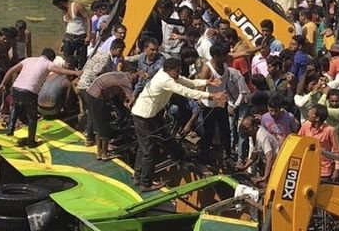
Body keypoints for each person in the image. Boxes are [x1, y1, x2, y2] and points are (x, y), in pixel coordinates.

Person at [131, 58, 226, 192]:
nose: (179, 72)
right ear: (170, 70)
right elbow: (186, 91)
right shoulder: (166, 80)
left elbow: (188, 82)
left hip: (152, 115)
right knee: (149, 149)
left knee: (146, 146)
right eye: (177, 70)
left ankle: (138, 175)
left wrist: (207, 82)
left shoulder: (168, 75)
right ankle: (145, 183)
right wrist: (211, 95)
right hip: (143, 116)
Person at [0, 48, 80, 148]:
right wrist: (75, 73)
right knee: (32, 117)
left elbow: (11, 70)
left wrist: (3, 84)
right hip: (29, 92)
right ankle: (31, 142)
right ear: (51, 58)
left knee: (15, 107)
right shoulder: (48, 64)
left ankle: (10, 130)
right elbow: (60, 70)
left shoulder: (28, 60)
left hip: (16, 88)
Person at [198, 42, 249, 167]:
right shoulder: (207, 68)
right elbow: (200, 90)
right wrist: (208, 99)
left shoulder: (225, 62)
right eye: (223, 55)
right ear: (215, 56)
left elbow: (246, 53)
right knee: (208, 132)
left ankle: (226, 156)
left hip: (221, 103)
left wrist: (260, 46)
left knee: (225, 130)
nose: (226, 57)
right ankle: (204, 156)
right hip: (209, 105)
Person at [83, 63, 138, 160]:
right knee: (104, 127)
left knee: (97, 125)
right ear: (131, 73)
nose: (136, 79)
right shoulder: (126, 81)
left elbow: (116, 92)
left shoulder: (119, 74)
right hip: (98, 98)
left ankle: (99, 152)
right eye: (136, 76)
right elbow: (132, 99)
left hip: (90, 93)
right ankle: (104, 153)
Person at [299, 104, 339, 181]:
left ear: (317, 118)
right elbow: (299, 141)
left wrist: (337, 170)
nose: (308, 114)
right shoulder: (306, 125)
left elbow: (337, 152)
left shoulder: (330, 130)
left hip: (323, 171)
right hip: (305, 168)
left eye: (311, 113)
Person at [236, 112, 281, 185]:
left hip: (276, 165)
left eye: (248, 128)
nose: (246, 131)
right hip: (269, 165)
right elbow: (255, 154)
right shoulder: (253, 134)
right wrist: (245, 167)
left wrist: (265, 177)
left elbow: (270, 157)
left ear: (254, 126)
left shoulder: (262, 136)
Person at [52, 0, 93, 70]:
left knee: (81, 59)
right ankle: (69, 75)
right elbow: (67, 26)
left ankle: (79, 75)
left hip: (80, 37)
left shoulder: (76, 7)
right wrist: (63, 41)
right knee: (67, 59)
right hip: (68, 37)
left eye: (58, 6)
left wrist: (88, 35)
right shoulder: (64, 11)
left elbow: (88, 18)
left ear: (61, 3)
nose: (58, 8)